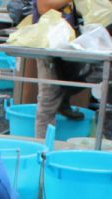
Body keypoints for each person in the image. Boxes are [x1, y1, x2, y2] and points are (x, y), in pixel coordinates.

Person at [32, 0, 88, 139]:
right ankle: (43, 153)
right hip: (48, 45)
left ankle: (63, 99)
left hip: (69, 43)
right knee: (48, 101)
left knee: (95, 71)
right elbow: (43, 6)